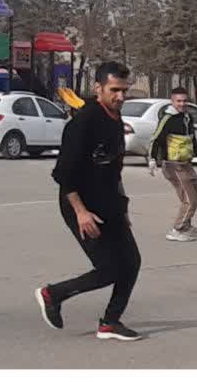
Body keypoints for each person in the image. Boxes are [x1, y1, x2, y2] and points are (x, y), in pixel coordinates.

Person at [34, 61, 144, 341]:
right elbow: (64, 174)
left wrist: (122, 208)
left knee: (131, 262)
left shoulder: (115, 119)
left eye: (124, 90)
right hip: (80, 204)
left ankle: (110, 323)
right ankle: (52, 294)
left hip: (110, 202)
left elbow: (114, 169)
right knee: (109, 269)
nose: (120, 96)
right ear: (98, 88)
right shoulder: (83, 122)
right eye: (114, 90)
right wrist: (81, 212)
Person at [147, 87, 197, 242]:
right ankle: (177, 229)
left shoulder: (188, 117)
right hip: (172, 165)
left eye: (185, 101)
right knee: (190, 199)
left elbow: (192, 140)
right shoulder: (168, 118)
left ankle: (185, 225)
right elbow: (155, 139)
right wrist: (152, 159)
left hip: (186, 163)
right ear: (172, 102)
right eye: (178, 101)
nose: (182, 104)